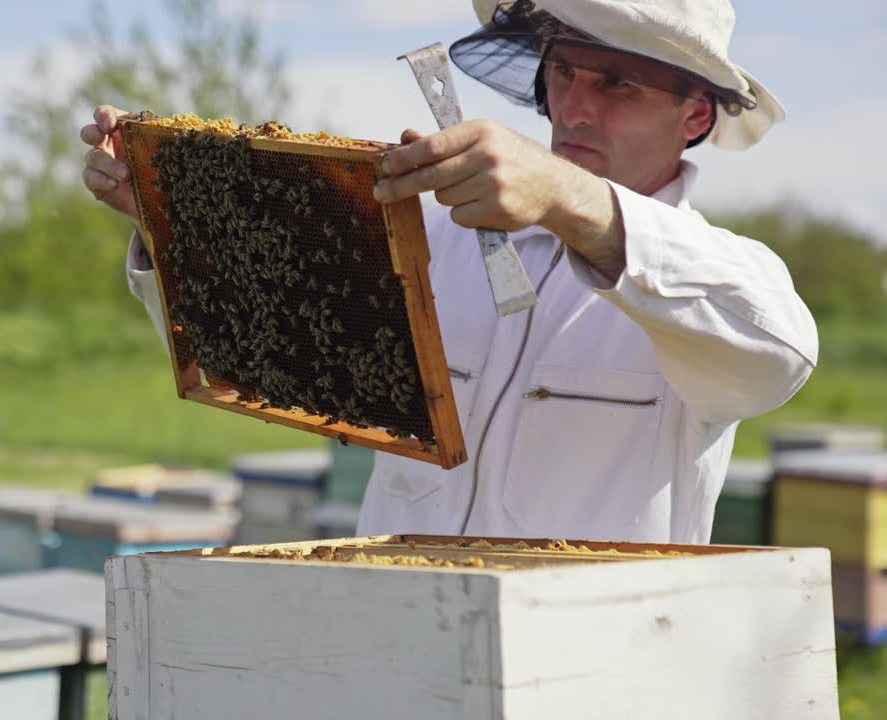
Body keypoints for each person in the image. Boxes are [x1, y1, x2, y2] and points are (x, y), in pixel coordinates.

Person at [79, 0, 817, 544]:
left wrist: (566, 197)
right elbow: (272, 358)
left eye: (617, 85)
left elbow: (779, 355)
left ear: (694, 117)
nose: (574, 108)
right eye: (563, 72)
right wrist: (176, 224)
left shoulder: (711, 282)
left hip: (586, 672)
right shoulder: (428, 240)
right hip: (403, 647)